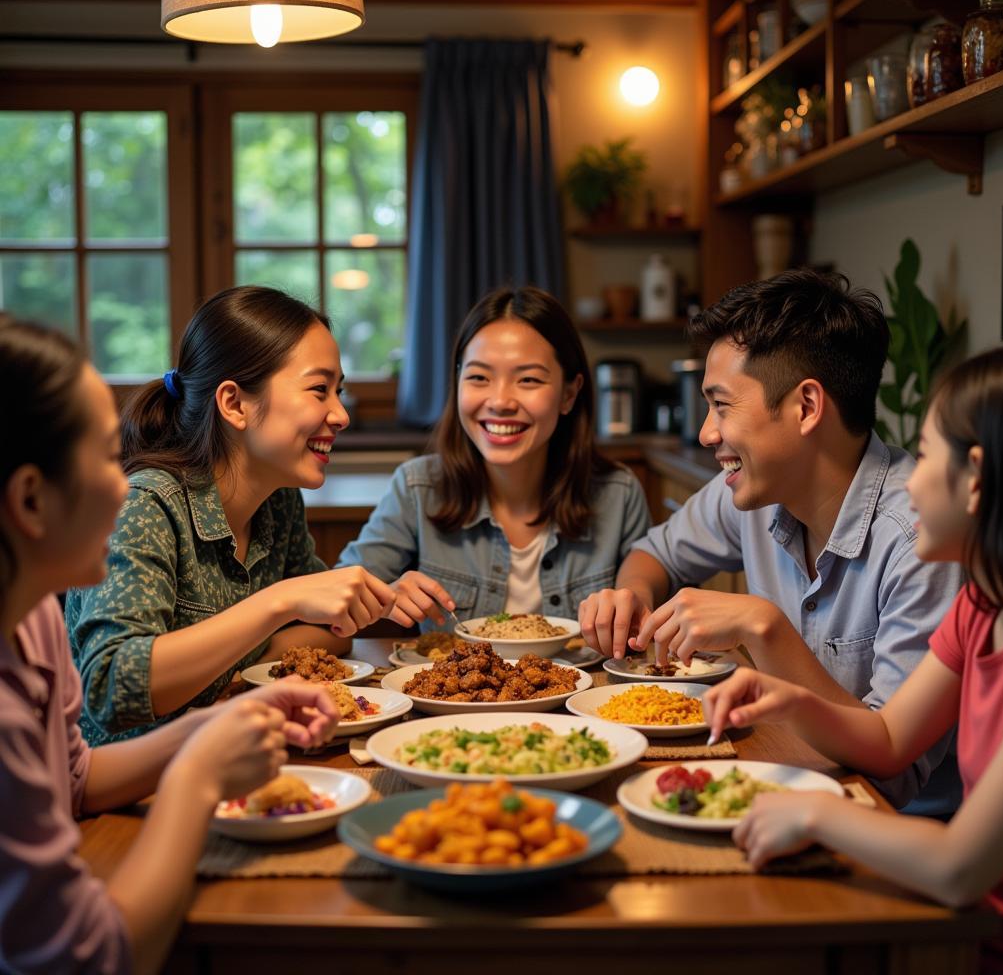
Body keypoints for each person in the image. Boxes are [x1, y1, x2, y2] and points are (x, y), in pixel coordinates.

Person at [0, 315, 340, 975]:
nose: (125, 480)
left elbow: (75, 778)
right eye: (104, 456)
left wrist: (216, 726)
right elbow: (86, 961)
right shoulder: (153, 502)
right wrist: (197, 774)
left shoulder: (33, 619)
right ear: (32, 501)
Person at [578, 270, 960, 811]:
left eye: (722, 405)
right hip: (782, 775)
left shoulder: (923, 541)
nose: (708, 433)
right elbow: (655, 554)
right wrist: (632, 597)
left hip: (899, 833)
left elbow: (890, 769)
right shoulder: (759, 488)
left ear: (806, 407)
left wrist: (765, 628)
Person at [702, 345, 1003, 974]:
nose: (909, 480)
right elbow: (887, 739)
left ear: (977, 477)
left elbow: (958, 868)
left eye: (926, 456)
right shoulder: (981, 607)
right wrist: (788, 701)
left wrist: (816, 813)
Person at [66, 286, 395, 745]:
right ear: (234, 403)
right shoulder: (146, 505)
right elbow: (111, 688)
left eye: (339, 391)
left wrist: (365, 601)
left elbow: (328, 631)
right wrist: (277, 604)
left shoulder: (278, 502)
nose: (339, 414)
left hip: (233, 762)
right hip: (124, 802)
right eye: (320, 389)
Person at [340, 286, 651, 627]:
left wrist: (631, 609)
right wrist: (385, 595)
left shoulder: (618, 494)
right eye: (478, 377)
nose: (500, 401)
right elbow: (339, 595)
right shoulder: (417, 487)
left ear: (568, 393)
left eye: (528, 379)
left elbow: (644, 616)